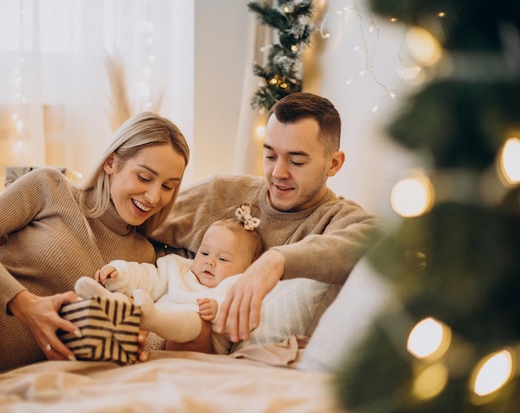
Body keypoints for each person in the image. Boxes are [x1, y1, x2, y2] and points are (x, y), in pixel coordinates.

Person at [0, 111, 190, 381]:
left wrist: (127, 339)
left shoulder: (143, 259)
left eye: (168, 186)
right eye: (144, 178)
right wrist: (25, 305)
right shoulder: (51, 187)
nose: (155, 196)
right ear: (111, 162)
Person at [149, 92, 383, 348]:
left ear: (334, 164)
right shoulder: (221, 192)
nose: (278, 173)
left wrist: (276, 260)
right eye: (270, 156)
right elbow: (134, 220)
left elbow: (380, 243)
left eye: (296, 161)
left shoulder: (335, 218)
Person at [75, 204, 263, 355]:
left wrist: (218, 311)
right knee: (130, 300)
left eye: (222, 259)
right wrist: (120, 273)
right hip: (146, 335)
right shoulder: (178, 268)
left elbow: (243, 321)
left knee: (199, 323)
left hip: (188, 348)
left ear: (249, 267)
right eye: (204, 253)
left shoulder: (237, 286)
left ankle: (152, 318)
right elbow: (149, 278)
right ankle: (104, 302)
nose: (209, 262)